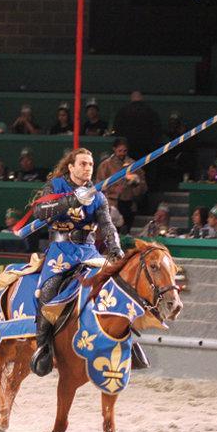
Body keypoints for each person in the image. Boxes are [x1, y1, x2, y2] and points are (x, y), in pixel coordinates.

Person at [29, 147, 124, 377]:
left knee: (117, 285)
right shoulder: (56, 186)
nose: (87, 168)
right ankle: (43, 347)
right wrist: (71, 200)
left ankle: (125, 340)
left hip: (88, 251)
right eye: (82, 164)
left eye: (90, 164)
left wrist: (115, 248)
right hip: (61, 250)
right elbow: (39, 211)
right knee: (48, 292)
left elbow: (107, 225)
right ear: (71, 167)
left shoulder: (98, 196)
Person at [95, 138, 147, 234]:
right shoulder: (106, 165)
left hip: (129, 201)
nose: (122, 153)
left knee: (127, 229)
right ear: (114, 149)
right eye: (120, 150)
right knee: (112, 230)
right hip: (112, 202)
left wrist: (135, 183)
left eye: (125, 151)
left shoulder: (134, 164)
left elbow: (142, 183)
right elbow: (99, 185)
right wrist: (113, 189)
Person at [112, 91, 162, 187]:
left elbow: (117, 132)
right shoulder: (151, 112)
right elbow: (157, 132)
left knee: (127, 175)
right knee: (145, 178)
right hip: (147, 151)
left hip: (128, 151)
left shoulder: (123, 112)